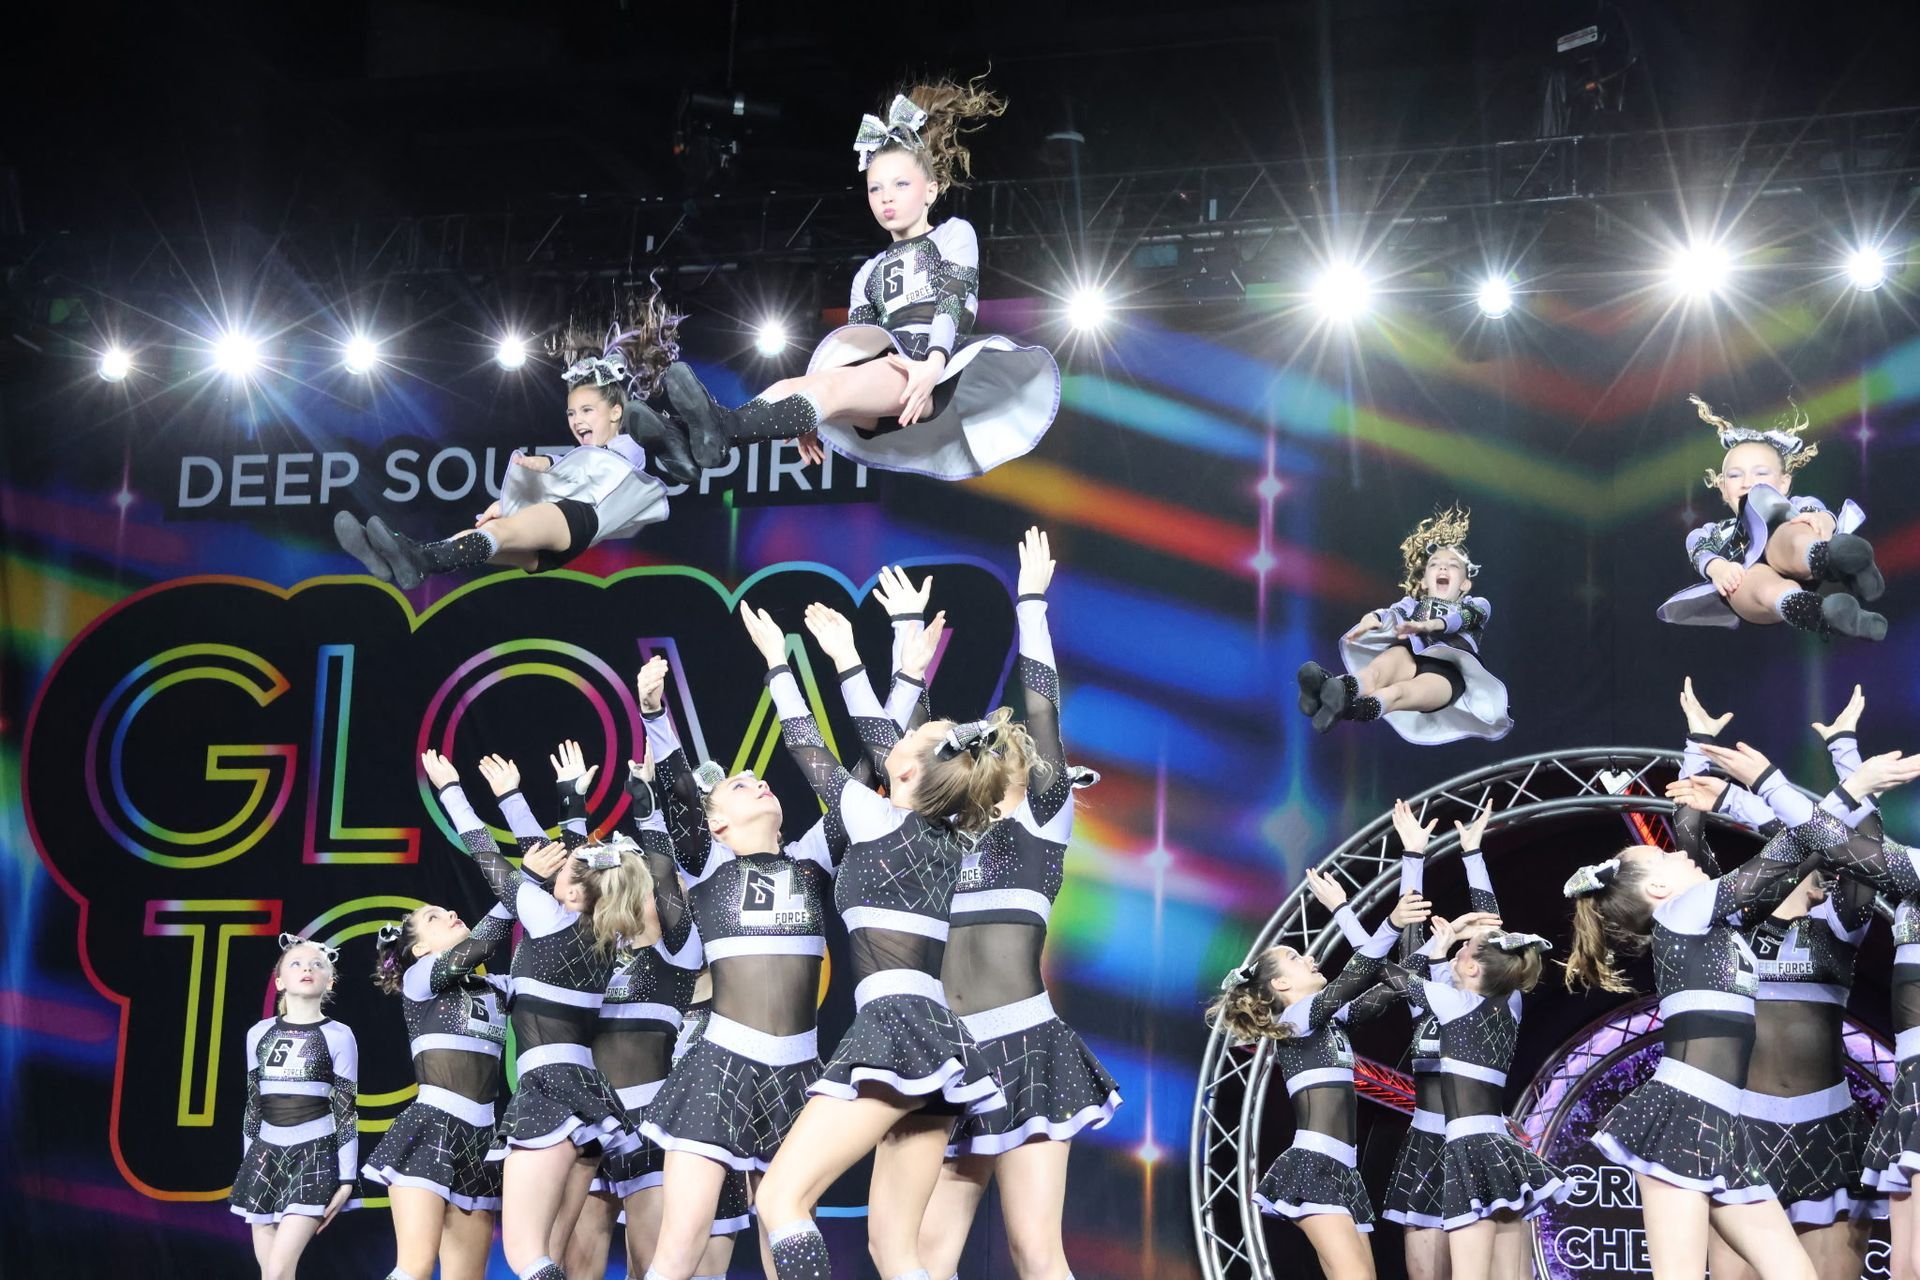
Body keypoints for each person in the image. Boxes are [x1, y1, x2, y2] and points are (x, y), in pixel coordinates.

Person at [743, 598, 1018, 1280]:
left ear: (909, 773)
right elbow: (882, 738)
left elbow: (806, 744)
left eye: (919, 736)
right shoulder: (944, 835)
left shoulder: (878, 821)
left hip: (894, 1029)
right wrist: (862, 663)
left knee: (779, 1199)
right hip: (939, 1040)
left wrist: (780, 662)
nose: (905, 732)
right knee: (895, 1254)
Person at [662, 77, 1060, 481]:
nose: (886, 197)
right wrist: (806, 409)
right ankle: (681, 439)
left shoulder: (953, 234)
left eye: (901, 184)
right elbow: (854, 347)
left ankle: (716, 431)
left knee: (824, 388)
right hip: (881, 372)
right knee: (788, 387)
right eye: (875, 188)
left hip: (922, 369)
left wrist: (934, 364)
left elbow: (955, 299)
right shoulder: (868, 272)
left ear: (931, 190)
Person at [1561, 699, 1819, 1280]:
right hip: (1683, 1113)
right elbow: (1793, 847)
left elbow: (1695, 832)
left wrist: (1696, 747)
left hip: (1722, 1121)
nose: (1681, 852)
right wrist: (1760, 785)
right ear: (1657, 889)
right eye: (1664, 856)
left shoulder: (1709, 920)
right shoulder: (1684, 912)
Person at [421, 748, 653, 1280]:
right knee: (551, 1251)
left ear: (570, 890)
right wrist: (530, 799)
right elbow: (568, 864)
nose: (550, 867)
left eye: (562, 873)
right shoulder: (607, 936)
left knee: (526, 1254)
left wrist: (452, 790)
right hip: (591, 1102)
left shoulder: (549, 920)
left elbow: (485, 853)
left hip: (548, 1092)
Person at [334, 293, 684, 587]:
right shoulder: (584, 459)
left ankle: (411, 555)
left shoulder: (629, 442)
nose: (576, 421)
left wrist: (544, 464)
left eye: (587, 410)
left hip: (579, 519)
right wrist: (511, 501)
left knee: (502, 531)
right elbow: (576, 472)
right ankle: (404, 557)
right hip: (561, 537)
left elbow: (591, 470)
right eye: (571, 413)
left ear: (616, 412)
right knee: (490, 534)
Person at [1208, 869, 1430, 1280]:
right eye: (1296, 958)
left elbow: (1395, 987)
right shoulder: (1295, 1019)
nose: (1310, 958)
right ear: (1280, 983)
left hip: (1344, 1170)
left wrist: (1438, 943)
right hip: (1315, 1167)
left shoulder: (1328, 1021)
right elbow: (1353, 977)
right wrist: (1387, 922)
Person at [364, 874, 513, 1280]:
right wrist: (523, 886)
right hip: (431, 1128)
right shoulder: (420, 979)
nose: (449, 913)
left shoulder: (498, 988)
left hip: (482, 1140)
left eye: (445, 910)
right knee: (415, 1267)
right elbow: (481, 944)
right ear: (419, 948)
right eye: (433, 917)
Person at [1657, 394, 1884, 638]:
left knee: (1792, 531)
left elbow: (1816, 509)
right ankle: (1822, 614)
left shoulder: (1792, 507)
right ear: (1722, 487)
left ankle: (1831, 557)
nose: (1747, 482)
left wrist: (1823, 521)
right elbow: (1698, 549)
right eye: (1735, 475)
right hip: (1751, 581)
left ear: (1784, 483)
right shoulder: (1714, 531)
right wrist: (1718, 568)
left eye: (1761, 473)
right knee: (1753, 583)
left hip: (1800, 559)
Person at [1299, 505, 1510, 742]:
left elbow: (1462, 618)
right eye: (1434, 564)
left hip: (1449, 673)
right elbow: (1392, 614)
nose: (1442, 567)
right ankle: (1325, 689)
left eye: (1453, 565)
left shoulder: (1478, 604)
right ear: (1424, 582)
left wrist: (1430, 625)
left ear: (1465, 584)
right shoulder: (1412, 604)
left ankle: (1329, 695)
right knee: (1374, 674)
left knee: (1398, 693)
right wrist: (1372, 619)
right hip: (1410, 653)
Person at [230, 936, 359, 1280]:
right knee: (271, 1274)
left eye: (317, 964)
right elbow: (253, 1104)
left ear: (329, 982)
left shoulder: (339, 1035)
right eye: (296, 963)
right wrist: (250, 1164)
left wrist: (347, 1179)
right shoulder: (258, 1033)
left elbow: (346, 1109)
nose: (307, 969)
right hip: (263, 1157)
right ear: (279, 982)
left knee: (278, 1271)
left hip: (314, 1156)